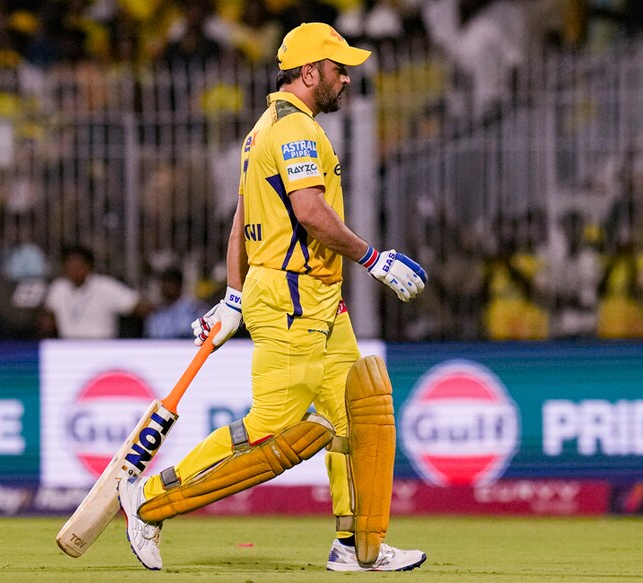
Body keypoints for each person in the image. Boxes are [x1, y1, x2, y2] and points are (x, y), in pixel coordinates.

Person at [115, 23, 428, 572]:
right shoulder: (295, 133)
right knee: (272, 430)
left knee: (354, 420)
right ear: (310, 72)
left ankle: (354, 547)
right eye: (338, 68)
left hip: (312, 296)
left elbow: (241, 220)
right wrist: (374, 259)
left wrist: (234, 295)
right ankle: (150, 501)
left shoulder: (265, 129)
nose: (346, 78)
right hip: (293, 296)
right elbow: (308, 211)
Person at [39, 244, 152, 339]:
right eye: (70, 266)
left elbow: (139, 306)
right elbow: (48, 317)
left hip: (101, 347)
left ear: (89, 267)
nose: (73, 270)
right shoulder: (58, 287)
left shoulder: (105, 286)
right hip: (68, 348)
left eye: (77, 266)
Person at [144, 266, 206, 339]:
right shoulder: (155, 313)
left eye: (170, 284)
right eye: (164, 284)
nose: (166, 288)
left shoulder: (194, 310)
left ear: (179, 285)